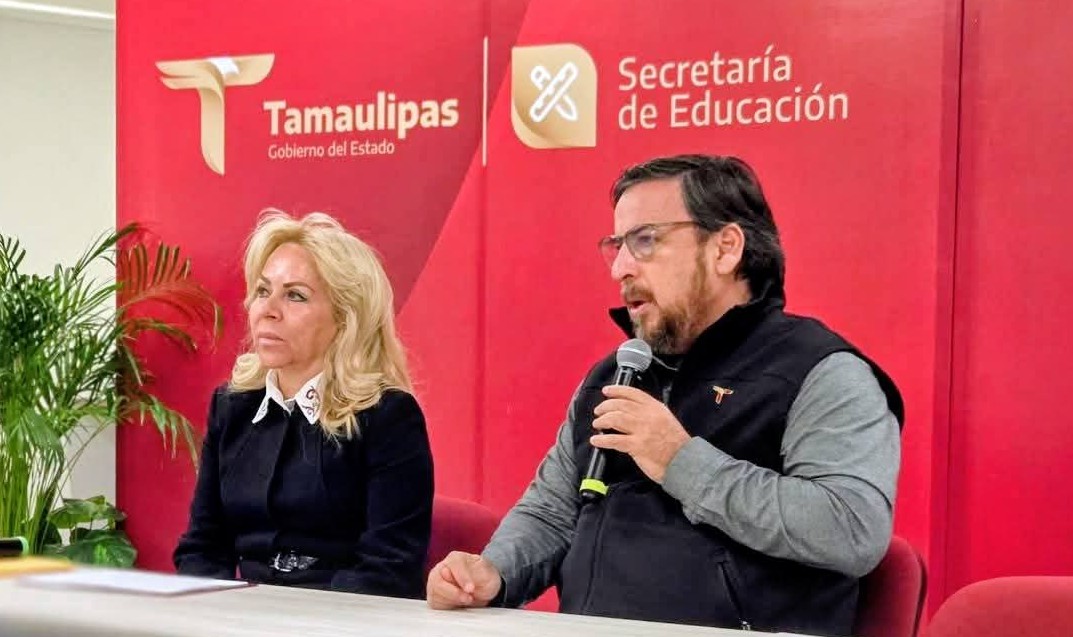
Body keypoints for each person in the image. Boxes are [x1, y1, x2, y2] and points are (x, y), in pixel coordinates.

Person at [426, 155, 904, 635]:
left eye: (645, 240)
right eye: (616, 247)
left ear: (725, 249)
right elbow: (551, 513)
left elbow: (851, 528)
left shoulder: (821, 372)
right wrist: (494, 572)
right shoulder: (615, 374)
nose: (620, 269)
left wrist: (679, 461)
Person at [174, 210, 433, 598]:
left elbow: (388, 570)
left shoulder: (387, 417)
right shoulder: (233, 407)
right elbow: (202, 547)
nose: (268, 310)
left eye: (295, 296)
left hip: (343, 618)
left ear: (345, 319)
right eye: (263, 291)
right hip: (241, 617)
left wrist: (295, 619)